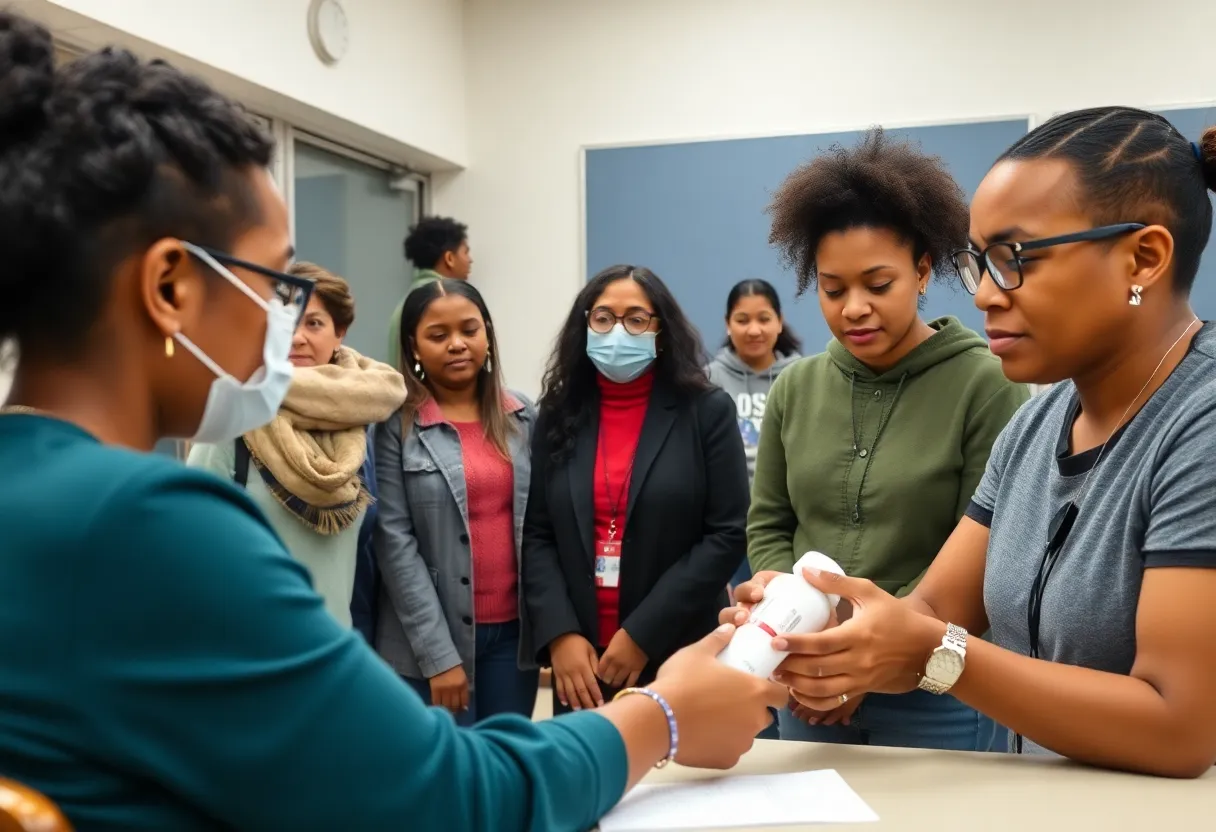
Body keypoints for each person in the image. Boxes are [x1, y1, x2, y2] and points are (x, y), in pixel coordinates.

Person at [0, 15, 785, 830]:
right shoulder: (150, 525)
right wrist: (661, 714)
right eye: (273, 286)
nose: (289, 324)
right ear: (170, 288)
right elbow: (451, 798)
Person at [733, 107, 1216, 778]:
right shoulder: (1036, 426)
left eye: (1015, 259)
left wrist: (933, 652)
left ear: (1144, 257)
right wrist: (824, 624)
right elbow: (932, 606)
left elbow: (1178, 726)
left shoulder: (1200, 422)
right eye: (979, 262)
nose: (987, 294)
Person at [750, 128, 1029, 749]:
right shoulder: (796, 388)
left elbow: (984, 554)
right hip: (807, 678)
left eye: (878, 286)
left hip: (934, 695)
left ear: (923, 270)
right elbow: (770, 520)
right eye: (832, 289)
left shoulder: (985, 384)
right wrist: (779, 600)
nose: (853, 308)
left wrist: (867, 653)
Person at [523, 264, 751, 714]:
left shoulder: (706, 411)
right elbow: (539, 535)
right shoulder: (558, 413)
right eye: (603, 318)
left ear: (660, 331)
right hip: (582, 664)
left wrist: (642, 634)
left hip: (678, 653)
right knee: (594, 784)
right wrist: (560, 635)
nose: (617, 331)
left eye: (636, 319)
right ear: (585, 326)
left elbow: (727, 532)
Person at [189, 262, 404, 633]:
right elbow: (188, 546)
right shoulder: (233, 419)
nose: (297, 338)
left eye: (314, 324)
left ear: (341, 333)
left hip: (335, 648)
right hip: (251, 648)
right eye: (282, 324)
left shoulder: (361, 428)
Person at [374, 278, 539, 724]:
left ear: (487, 333)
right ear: (413, 346)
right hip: (428, 643)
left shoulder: (522, 415)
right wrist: (438, 656)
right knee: (447, 776)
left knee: (505, 767)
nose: (457, 345)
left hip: (513, 640)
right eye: (438, 335)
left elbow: (542, 528)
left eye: (469, 330)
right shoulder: (395, 426)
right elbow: (394, 543)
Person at [706, 278, 803, 588]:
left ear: (779, 321)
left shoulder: (801, 377)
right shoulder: (708, 380)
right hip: (725, 527)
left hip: (786, 526)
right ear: (727, 324)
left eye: (764, 319)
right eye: (742, 319)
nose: (754, 330)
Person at [387, 216, 472, 366]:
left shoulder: (409, 299)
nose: (470, 260)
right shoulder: (443, 300)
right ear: (449, 258)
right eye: (465, 252)